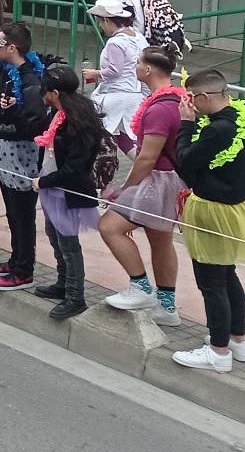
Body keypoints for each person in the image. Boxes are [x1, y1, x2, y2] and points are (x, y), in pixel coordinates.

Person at [172, 69, 245, 372]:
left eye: (191, 98)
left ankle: (218, 351)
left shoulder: (216, 130)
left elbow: (184, 160)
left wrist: (186, 124)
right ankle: (237, 339)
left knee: (211, 281)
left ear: (203, 96)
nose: (190, 104)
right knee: (227, 274)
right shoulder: (243, 116)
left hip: (213, 209)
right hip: (236, 205)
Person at [99, 47, 188, 325]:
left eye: (138, 62)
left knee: (110, 226)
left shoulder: (159, 109)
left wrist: (126, 190)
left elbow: (147, 157)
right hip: (173, 180)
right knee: (161, 241)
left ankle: (141, 287)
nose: (135, 66)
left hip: (157, 181)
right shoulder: (177, 100)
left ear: (148, 70)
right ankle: (167, 307)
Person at [0, 23, 49, 291]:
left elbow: (33, 127)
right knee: (12, 212)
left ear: (12, 48)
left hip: (23, 158)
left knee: (22, 214)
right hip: (5, 155)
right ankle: (16, 260)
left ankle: (24, 270)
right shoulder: (2, 69)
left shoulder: (31, 81)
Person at [34, 64, 104, 319]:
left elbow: (75, 167)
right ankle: (63, 282)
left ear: (54, 93)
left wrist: (44, 181)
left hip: (67, 189)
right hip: (53, 184)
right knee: (54, 236)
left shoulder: (77, 121)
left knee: (69, 244)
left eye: (45, 91)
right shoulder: (59, 113)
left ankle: (76, 296)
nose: (42, 96)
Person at [86, 0, 150, 150]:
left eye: (101, 22)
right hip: (136, 93)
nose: (101, 26)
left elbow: (115, 71)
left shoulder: (115, 42)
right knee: (125, 136)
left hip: (116, 95)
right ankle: (142, 160)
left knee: (107, 135)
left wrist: (95, 73)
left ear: (106, 21)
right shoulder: (138, 37)